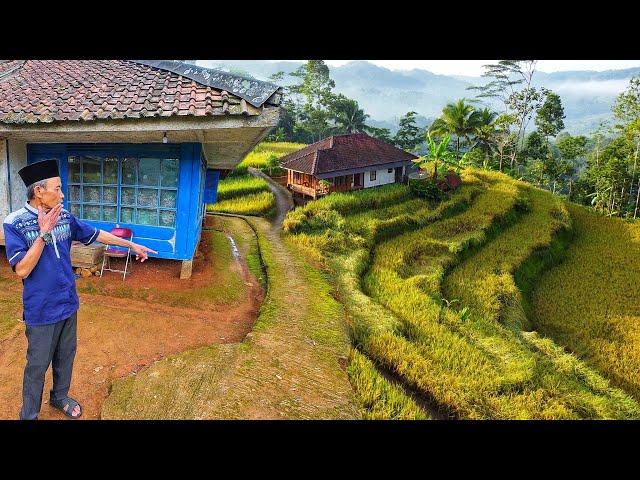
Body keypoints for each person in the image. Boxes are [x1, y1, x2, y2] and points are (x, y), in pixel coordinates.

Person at [2, 159, 157, 420]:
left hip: (67, 302)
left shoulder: (64, 216)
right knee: (37, 365)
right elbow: (22, 270)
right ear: (39, 192)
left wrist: (131, 245)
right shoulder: (14, 223)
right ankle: (29, 414)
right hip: (41, 309)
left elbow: (95, 234)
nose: (62, 194)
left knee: (66, 356)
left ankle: (59, 396)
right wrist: (43, 234)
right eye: (57, 188)